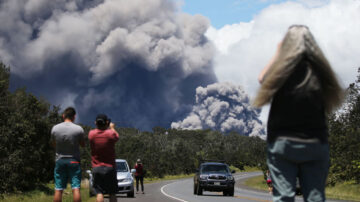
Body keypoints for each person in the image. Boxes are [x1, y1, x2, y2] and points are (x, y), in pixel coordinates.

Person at [254, 25, 344, 202]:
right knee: (315, 198)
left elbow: (262, 79)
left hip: (283, 143)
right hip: (315, 143)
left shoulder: (281, 73)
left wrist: (279, 53)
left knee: (284, 197)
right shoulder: (321, 73)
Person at [51, 107, 85, 202]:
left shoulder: (55, 128)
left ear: (63, 116)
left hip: (60, 160)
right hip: (74, 160)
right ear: (74, 117)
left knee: (58, 189)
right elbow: (83, 145)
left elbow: (53, 144)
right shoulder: (79, 129)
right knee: (76, 188)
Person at [88, 114, 119, 202]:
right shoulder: (110, 134)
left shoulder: (91, 134)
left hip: (96, 167)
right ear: (107, 122)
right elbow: (117, 136)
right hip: (110, 168)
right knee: (112, 193)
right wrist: (112, 127)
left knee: (99, 192)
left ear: (95, 123)